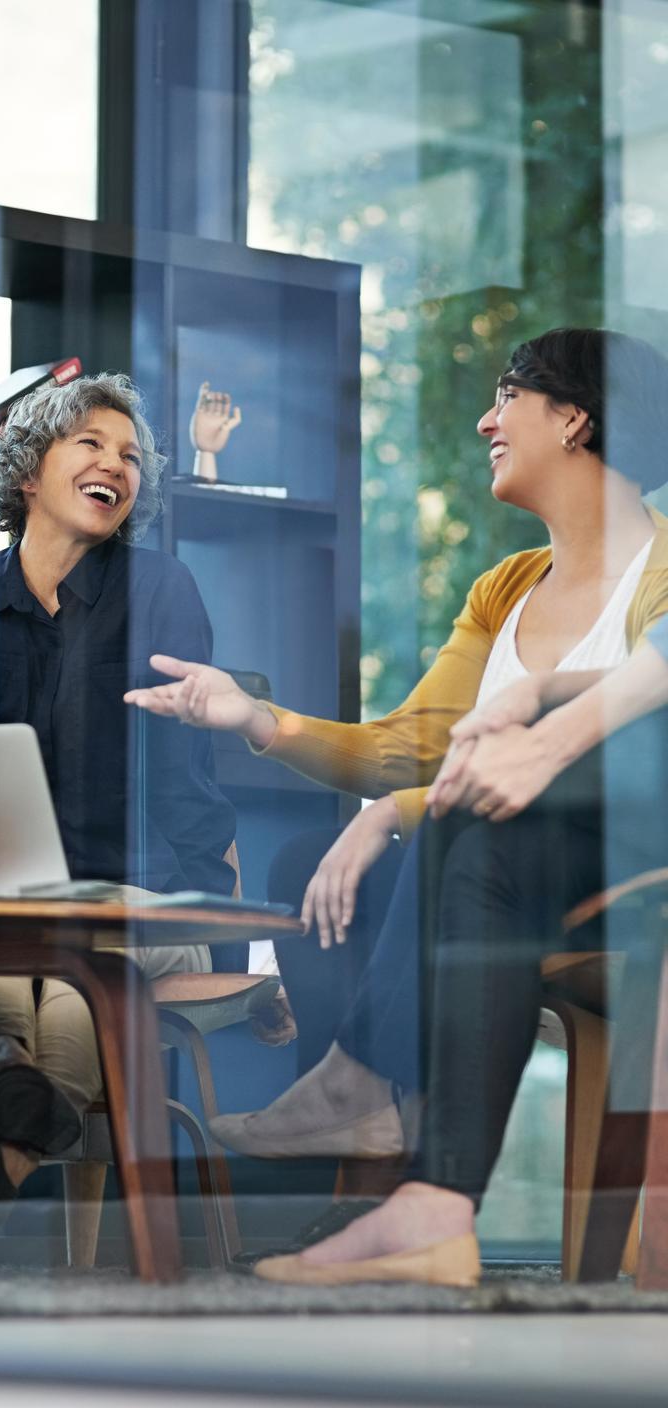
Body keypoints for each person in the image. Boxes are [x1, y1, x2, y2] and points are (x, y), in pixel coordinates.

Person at [127, 327, 668, 1283]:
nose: (484, 420)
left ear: (575, 417)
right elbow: (409, 747)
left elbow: (636, 717)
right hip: (518, 860)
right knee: (312, 867)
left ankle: (365, 1084)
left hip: (631, 853)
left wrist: (409, 806)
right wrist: (257, 719)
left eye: (508, 396)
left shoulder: (663, 556)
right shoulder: (505, 588)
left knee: (440, 822)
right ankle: (399, 1173)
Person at [0, 372, 236, 1202]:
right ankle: (12, 1105)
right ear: (26, 471)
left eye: (131, 455)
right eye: (91, 443)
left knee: (81, 982)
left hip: (137, 897)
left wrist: (223, 928)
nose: (117, 464)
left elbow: (189, 782)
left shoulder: (162, 590)